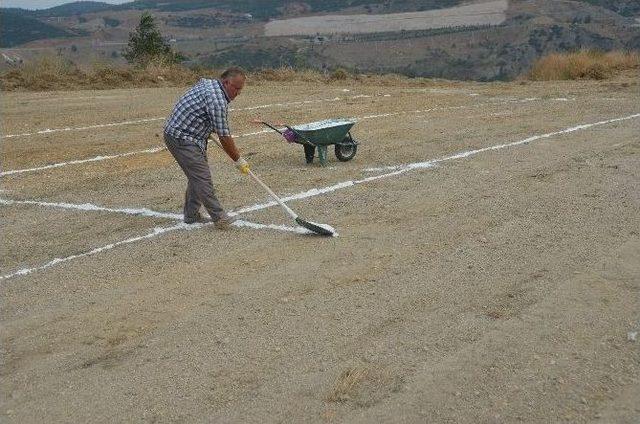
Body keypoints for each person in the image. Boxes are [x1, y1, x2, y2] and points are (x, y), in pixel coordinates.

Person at [164, 67, 250, 229]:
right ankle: (219, 217)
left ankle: (191, 215)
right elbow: (224, 136)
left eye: (241, 89)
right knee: (202, 177)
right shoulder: (217, 101)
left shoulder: (210, 84)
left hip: (190, 135)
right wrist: (238, 159)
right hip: (182, 137)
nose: (238, 93)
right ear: (226, 83)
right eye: (236, 88)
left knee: (197, 176)